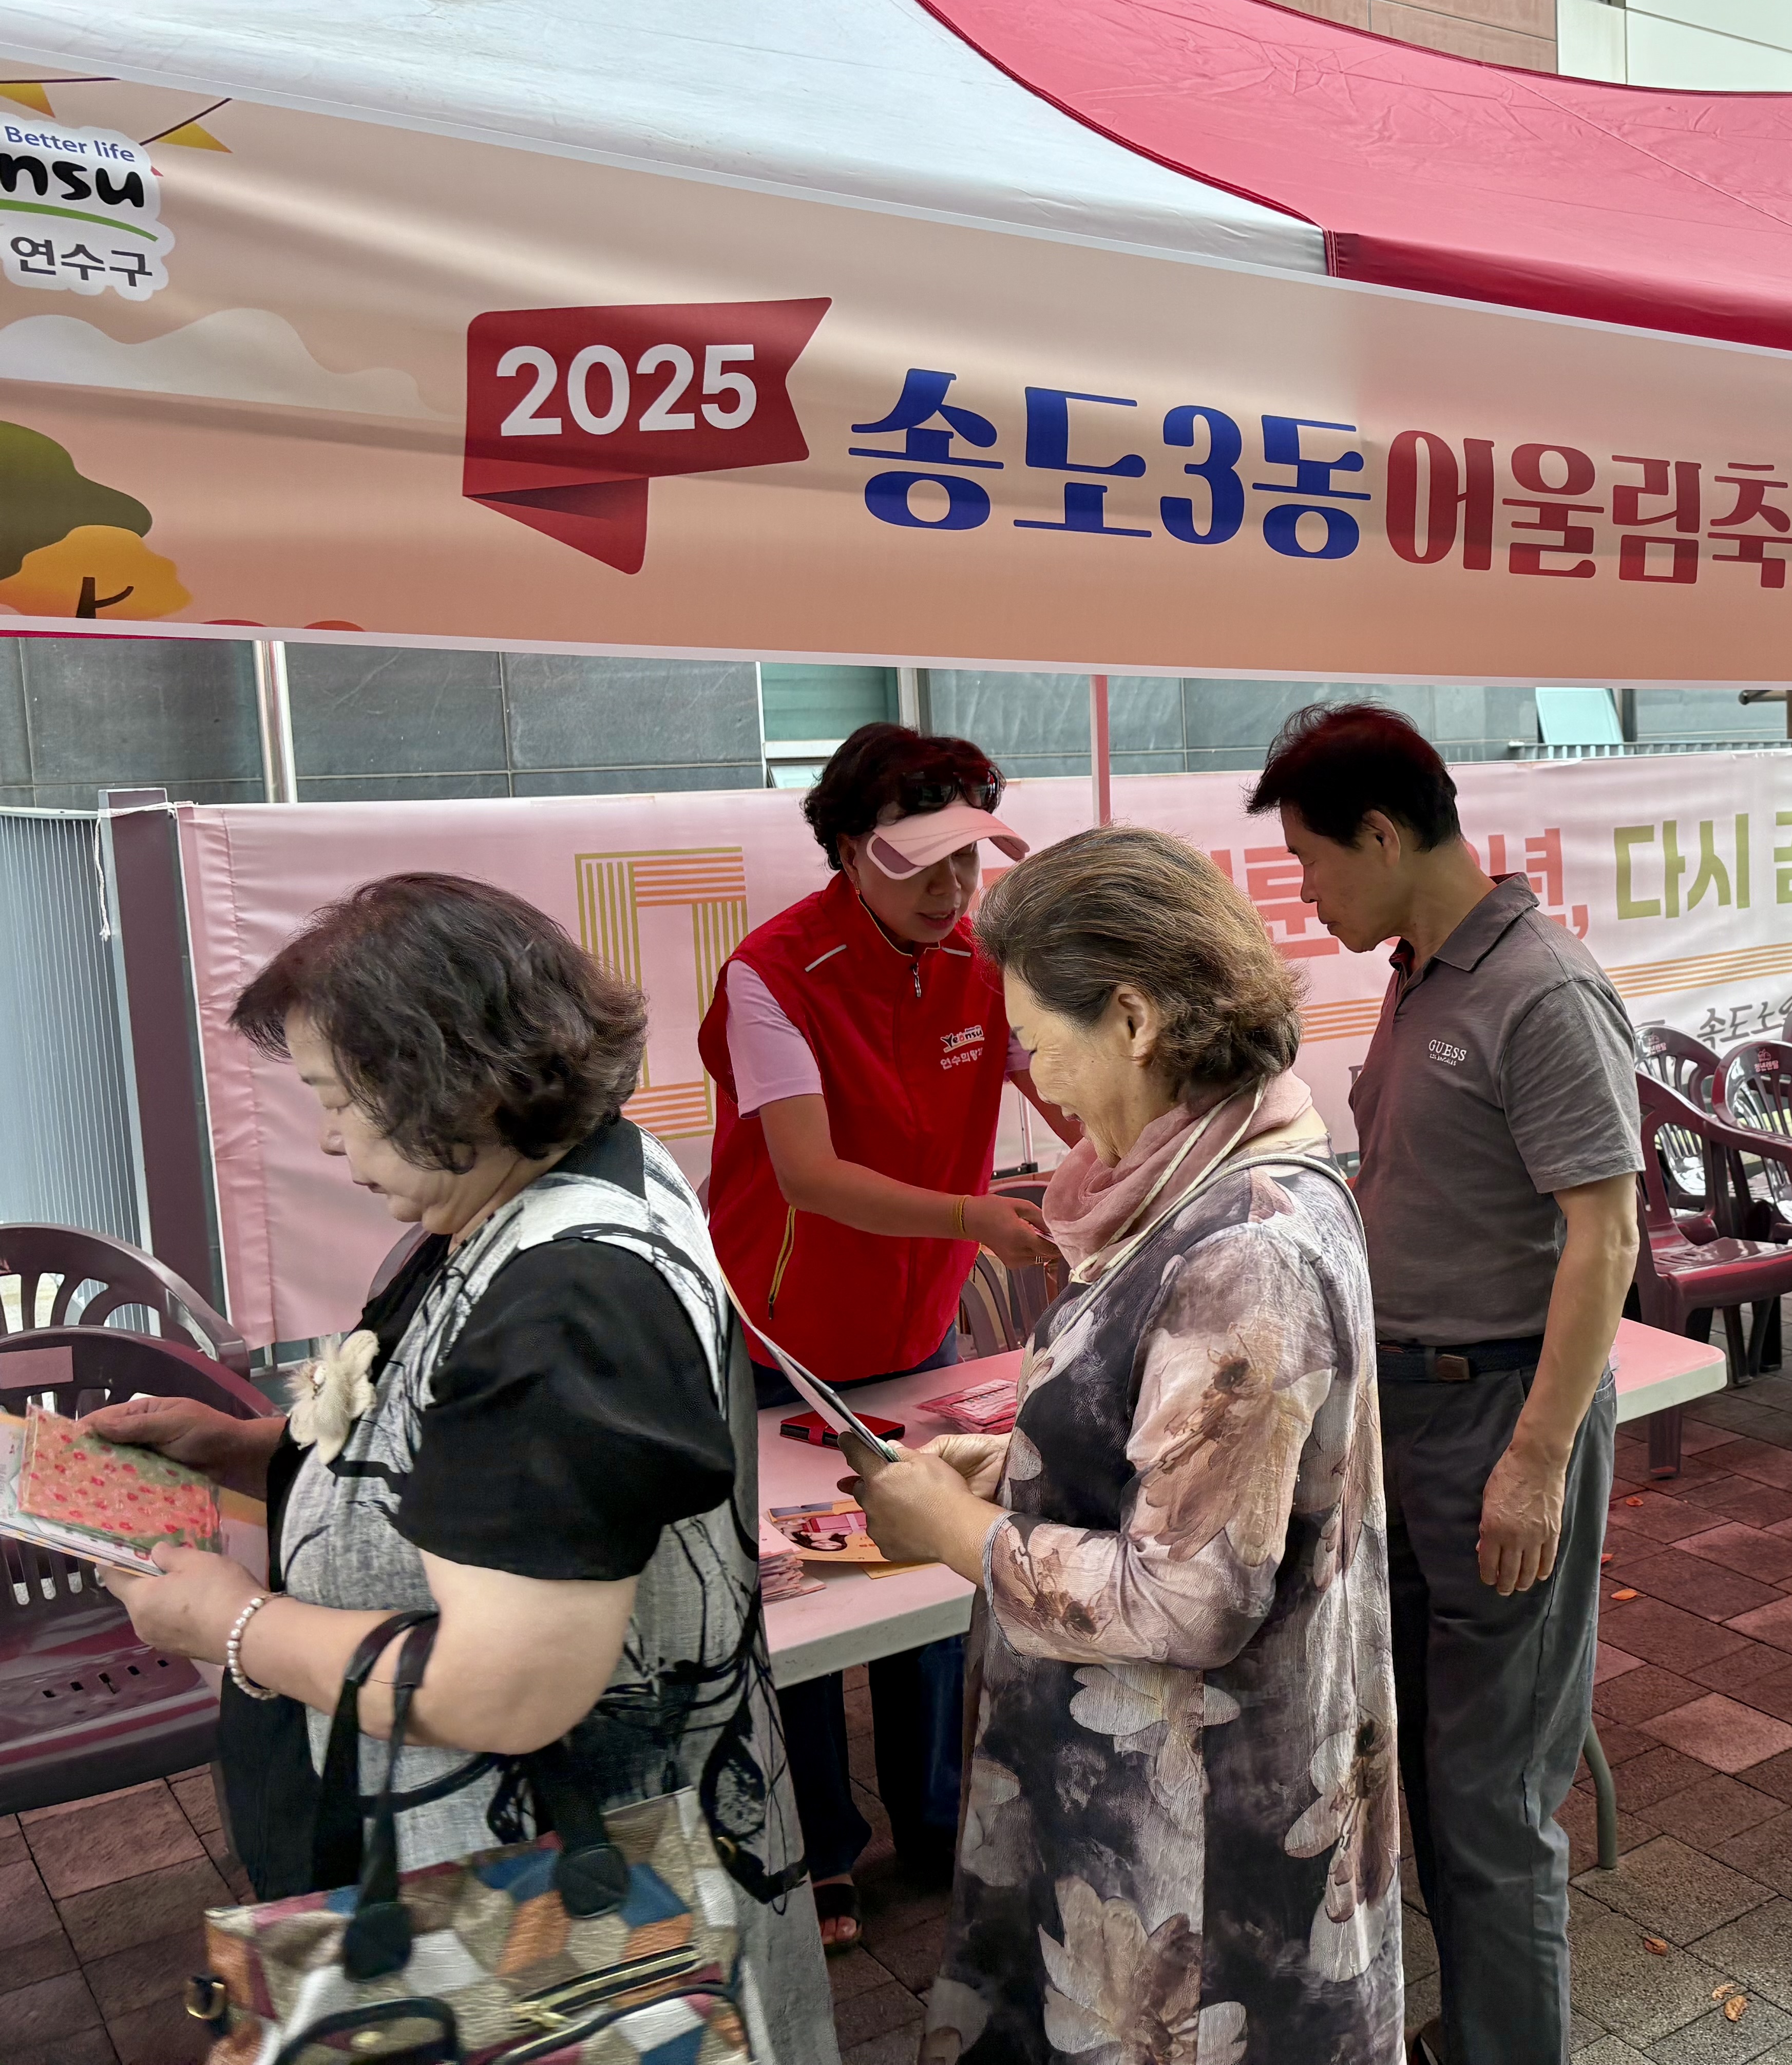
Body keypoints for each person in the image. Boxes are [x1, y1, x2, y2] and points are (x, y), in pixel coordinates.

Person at [89, 875, 833, 2064]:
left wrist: (233, 1625)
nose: (331, 1140)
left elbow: (509, 1686)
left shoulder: (569, 1294)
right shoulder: (551, 1188)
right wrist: (247, 1454)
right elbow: (487, 1466)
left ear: (456, 1082)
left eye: (344, 1103)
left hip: (550, 1912)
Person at [846, 829, 1402, 2064]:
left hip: (1202, 1830)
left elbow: (1193, 1596)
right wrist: (1020, 1470)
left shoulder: (1240, 1244)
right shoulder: (1190, 1186)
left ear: (1137, 1017)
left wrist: (965, 1537)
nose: (1035, 1076)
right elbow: (1191, 1463)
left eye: (1043, 1040)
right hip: (1162, 1780)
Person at [1249, 704, 1640, 2065]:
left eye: (1315, 866)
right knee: (1422, 1767)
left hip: (1501, 1415)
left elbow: (1609, 1235)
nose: (1309, 898)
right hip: (1402, 1412)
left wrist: (1533, 1459)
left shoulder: (1543, 989)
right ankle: (1478, 2027)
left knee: (1492, 1795)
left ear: (1381, 832)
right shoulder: (1423, 975)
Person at [697, 721, 1071, 1945]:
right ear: (854, 850)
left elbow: (1065, 1089)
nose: (955, 893)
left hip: (919, 1327)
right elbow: (805, 1172)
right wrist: (983, 1214)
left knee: (926, 1547)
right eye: (925, 865)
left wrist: (1132, 1170)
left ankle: (934, 1816)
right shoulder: (772, 972)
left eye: (972, 865)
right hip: (781, 1330)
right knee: (796, 1589)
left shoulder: (981, 960)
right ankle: (819, 1852)